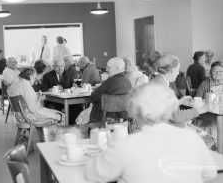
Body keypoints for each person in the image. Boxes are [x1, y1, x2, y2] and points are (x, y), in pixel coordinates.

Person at [85, 83, 217, 183]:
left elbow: (92, 174)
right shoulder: (192, 138)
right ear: (171, 107)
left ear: (133, 110)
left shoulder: (125, 146)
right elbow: (210, 174)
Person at [151, 54, 205, 126]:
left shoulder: (157, 80)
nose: (178, 73)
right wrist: (199, 110)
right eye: (178, 70)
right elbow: (177, 116)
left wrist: (179, 102)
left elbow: (166, 107)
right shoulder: (163, 88)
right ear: (173, 70)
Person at [77, 57, 132, 123]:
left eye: (109, 67)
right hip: (123, 118)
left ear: (117, 68)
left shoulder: (109, 82)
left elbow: (93, 97)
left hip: (104, 117)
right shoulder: (128, 82)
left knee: (80, 116)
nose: (106, 69)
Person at [195, 61, 223, 146]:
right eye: (215, 71)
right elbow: (197, 99)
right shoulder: (205, 83)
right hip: (208, 116)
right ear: (211, 72)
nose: (218, 73)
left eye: (220, 72)